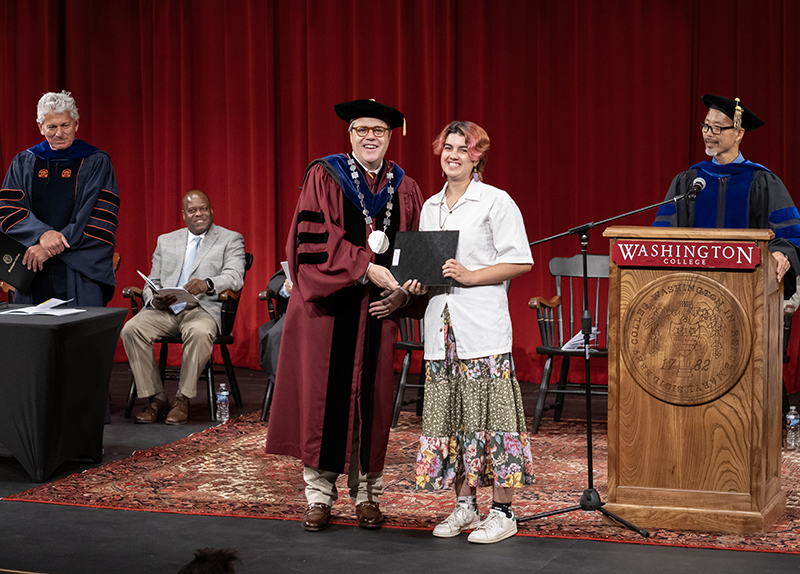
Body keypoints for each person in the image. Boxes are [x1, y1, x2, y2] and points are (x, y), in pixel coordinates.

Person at [265, 99, 424, 532]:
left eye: (378, 130)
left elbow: (413, 253)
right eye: (361, 130)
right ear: (349, 134)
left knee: (372, 403)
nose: (369, 136)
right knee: (323, 400)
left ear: (391, 136)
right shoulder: (325, 174)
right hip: (329, 311)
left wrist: (402, 297)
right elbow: (313, 243)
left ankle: (367, 494)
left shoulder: (404, 187)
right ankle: (319, 496)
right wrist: (364, 267)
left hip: (377, 312)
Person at [404, 121, 535, 544]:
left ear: (478, 156)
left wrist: (471, 275)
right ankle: (464, 507)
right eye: (448, 147)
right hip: (441, 326)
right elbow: (428, 263)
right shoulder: (430, 206)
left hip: (481, 326)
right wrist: (416, 280)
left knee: (495, 421)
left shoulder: (495, 201)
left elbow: (521, 261)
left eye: (464, 148)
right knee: (454, 420)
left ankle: (503, 512)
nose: (454, 154)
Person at [121, 190, 245, 425]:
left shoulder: (230, 238)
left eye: (203, 209)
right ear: (183, 215)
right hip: (165, 309)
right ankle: (157, 398)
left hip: (202, 309)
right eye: (192, 210)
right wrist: (154, 297)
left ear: (211, 210)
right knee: (131, 329)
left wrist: (208, 284)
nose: (199, 214)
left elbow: (234, 276)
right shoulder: (166, 240)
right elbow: (153, 280)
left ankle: (181, 399)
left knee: (199, 333)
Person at [654, 94, 800, 291]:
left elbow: (789, 235)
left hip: (748, 289)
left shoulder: (762, 181)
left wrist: (781, 254)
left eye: (717, 128)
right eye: (705, 126)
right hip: (691, 288)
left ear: (738, 133)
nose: (708, 134)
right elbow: (663, 234)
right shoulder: (689, 181)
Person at [0, 90, 120, 306]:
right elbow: (8, 208)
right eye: (51, 127)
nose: (59, 133)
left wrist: (49, 248)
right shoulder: (23, 162)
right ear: (40, 127)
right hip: (33, 266)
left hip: (79, 269)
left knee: (81, 336)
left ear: (76, 124)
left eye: (65, 125)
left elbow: (99, 217)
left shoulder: (96, 162)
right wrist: (42, 235)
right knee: (32, 337)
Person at [257, 267, 291, 387]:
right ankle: (283, 391)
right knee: (275, 335)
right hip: (296, 310)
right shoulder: (301, 249)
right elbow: (277, 279)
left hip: (327, 310)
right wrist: (286, 288)